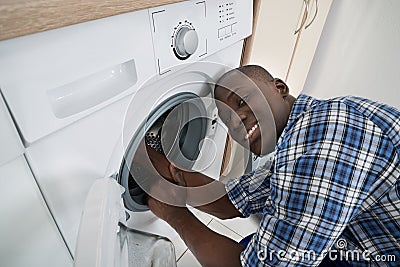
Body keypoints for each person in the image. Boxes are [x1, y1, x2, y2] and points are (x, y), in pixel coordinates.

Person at [143, 65, 400, 266]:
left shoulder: (330, 135)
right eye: (227, 120)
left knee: (256, 252)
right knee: (257, 246)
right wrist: (151, 161)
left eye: (241, 101)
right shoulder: (303, 137)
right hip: (364, 247)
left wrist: (175, 214)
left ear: (279, 87)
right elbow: (228, 201)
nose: (236, 120)